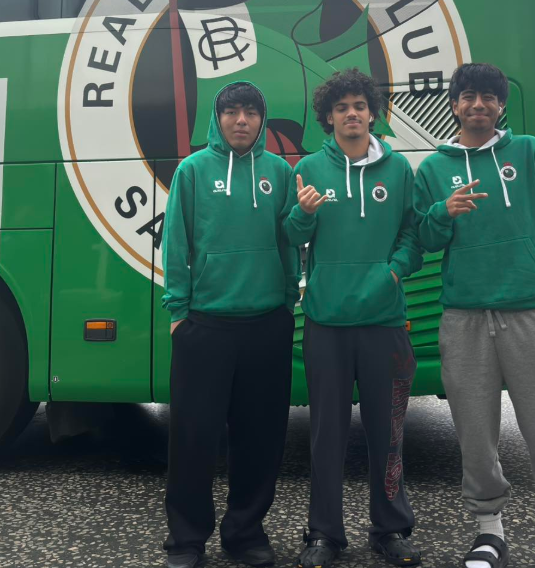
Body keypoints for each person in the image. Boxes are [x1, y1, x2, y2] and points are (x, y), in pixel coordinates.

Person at [414, 63, 535, 568]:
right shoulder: (434, 168)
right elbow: (422, 239)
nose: (478, 105)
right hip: (465, 314)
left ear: (501, 106)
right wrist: (441, 214)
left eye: (488, 98)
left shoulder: (530, 152)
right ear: (454, 105)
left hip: (527, 310)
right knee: (474, 431)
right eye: (468, 96)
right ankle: (488, 532)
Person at [284, 68, 424, 568]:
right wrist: (301, 215)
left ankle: (390, 529)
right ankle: (323, 535)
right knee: (327, 435)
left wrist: (394, 271)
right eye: (341, 107)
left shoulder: (398, 170)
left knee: (388, 434)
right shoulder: (309, 169)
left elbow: (413, 234)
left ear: (372, 113)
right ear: (328, 117)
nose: (351, 114)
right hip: (327, 322)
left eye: (359, 105)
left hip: (385, 321)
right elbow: (292, 235)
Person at [160, 81, 300, 568]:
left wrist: (287, 303)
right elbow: (176, 242)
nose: (241, 120)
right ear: (217, 119)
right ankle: (186, 540)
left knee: (260, 437)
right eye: (232, 112)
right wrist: (179, 312)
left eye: (251, 113)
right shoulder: (192, 170)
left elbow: (288, 241)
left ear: (262, 121)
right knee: (193, 437)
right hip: (205, 325)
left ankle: (245, 533)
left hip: (267, 324)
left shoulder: (280, 172)